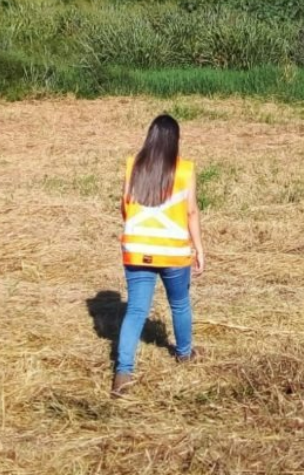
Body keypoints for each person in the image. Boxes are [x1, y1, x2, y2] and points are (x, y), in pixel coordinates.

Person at [111, 114, 206, 397]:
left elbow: (125, 206)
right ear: (175, 141)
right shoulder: (185, 171)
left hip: (137, 250)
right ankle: (185, 353)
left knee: (136, 310)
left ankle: (123, 372)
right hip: (173, 252)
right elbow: (191, 211)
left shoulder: (133, 167)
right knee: (179, 303)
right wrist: (199, 246)